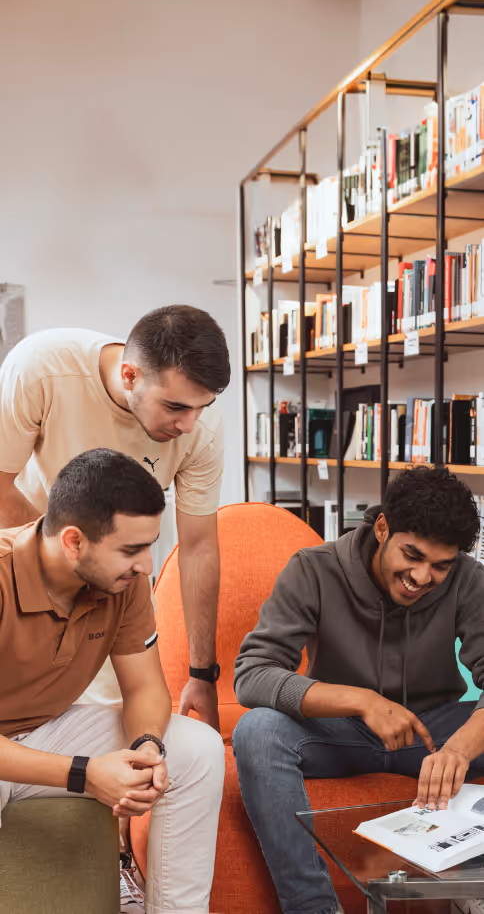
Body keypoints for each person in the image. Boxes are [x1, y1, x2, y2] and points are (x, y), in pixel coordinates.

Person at [233, 465, 484, 914]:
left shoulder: (468, 578)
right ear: (382, 526)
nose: (423, 577)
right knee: (258, 731)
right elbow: (253, 673)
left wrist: (460, 750)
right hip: (340, 732)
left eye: (440, 565)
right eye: (412, 555)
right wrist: (361, 701)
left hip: (433, 735)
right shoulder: (312, 569)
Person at [0, 448, 225, 914]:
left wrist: (147, 747)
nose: (146, 565)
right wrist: (84, 775)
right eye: (131, 550)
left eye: (149, 546)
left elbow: (143, 686)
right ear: (74, 542)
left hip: (44, 730)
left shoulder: (122, 583)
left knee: (198, 749)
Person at [0, 305, 231, 730]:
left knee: (121, 725)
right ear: (129, 376)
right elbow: (0, 487)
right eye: (176, 406)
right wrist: (67, 564)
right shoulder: (40, 369)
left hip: (111, 588)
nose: (188, 424)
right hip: (23, 568)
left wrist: (202, 674)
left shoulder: (202, 429)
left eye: (202, 407)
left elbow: (198, 548)